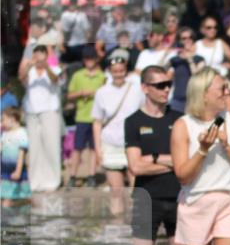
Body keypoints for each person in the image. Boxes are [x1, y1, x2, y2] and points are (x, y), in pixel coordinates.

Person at [171, 68, 230, 245]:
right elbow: (182, 175)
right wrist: (202, 150)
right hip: (196, 202)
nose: (228, 92)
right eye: (222, 88)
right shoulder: (183, 125)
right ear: (203, 94)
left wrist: (227, 146)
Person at [124, 65, 185, 245]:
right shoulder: (133, 121)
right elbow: (136, 167)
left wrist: (154, 158)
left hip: (179, 198)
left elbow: (186, 162)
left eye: (168, 84)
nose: (166, 89)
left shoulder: (179, 119)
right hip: (146, 200)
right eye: (160, 85)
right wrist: (173, 162)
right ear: (145, 88)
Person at [92, 50, 144, 212]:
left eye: (121, 71)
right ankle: (117, 229)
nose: (119, 75)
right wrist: (98, 149)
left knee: (136, 190)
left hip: (133, 144)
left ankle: (137, 225)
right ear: (109, 71)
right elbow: (97, 122)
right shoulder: (101, 93)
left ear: (126, 70)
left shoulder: (137, 90)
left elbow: (144, 115)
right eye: (115, 72)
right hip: (110, 143)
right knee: (116, 191)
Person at [18, 45, 62, 193]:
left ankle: (53, 181)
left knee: (51, 145)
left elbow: (55, 79)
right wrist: (29, 66)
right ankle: (35, 181)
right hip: (32, 112)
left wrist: (46, 66)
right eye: (35, 55)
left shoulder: (53, 68)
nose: (38, 58)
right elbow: (21, 79)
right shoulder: (30, 71)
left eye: (40, 55)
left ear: (45, 55)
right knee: (35, 148)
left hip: (49, 111)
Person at [65, 45, 106, 186]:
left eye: (92, 58)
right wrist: (81, 93)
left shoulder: (102, 76)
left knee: (94, 149)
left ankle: (91, 175)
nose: (89, 61)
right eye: (86, 58)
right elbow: (69, 95)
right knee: (77, 148)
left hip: (97, 119)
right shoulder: (78, 75)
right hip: (82, 117)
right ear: (83, 60)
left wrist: (96, 94)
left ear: (96, 59)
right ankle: (72, 175)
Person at [168, 28, 205, 114]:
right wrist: (168, 51)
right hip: (177, 102)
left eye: (190, 37)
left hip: (194, 101)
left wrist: (189, 59)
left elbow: (197, 76)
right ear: (179, 41)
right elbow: (160, 68)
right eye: (184, 38)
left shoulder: (199, 59)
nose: (187, 40)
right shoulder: (175, 59)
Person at [1, 107, 30, 206]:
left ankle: (25, 202)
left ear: (12, 119)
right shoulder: (5, 134)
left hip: (16, 170)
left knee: (9, 201)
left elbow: (22, 154)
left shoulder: (21, 133)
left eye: (3, 119)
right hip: (5, 171)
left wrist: (18, 171)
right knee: (3, 198)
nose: (2, 123)